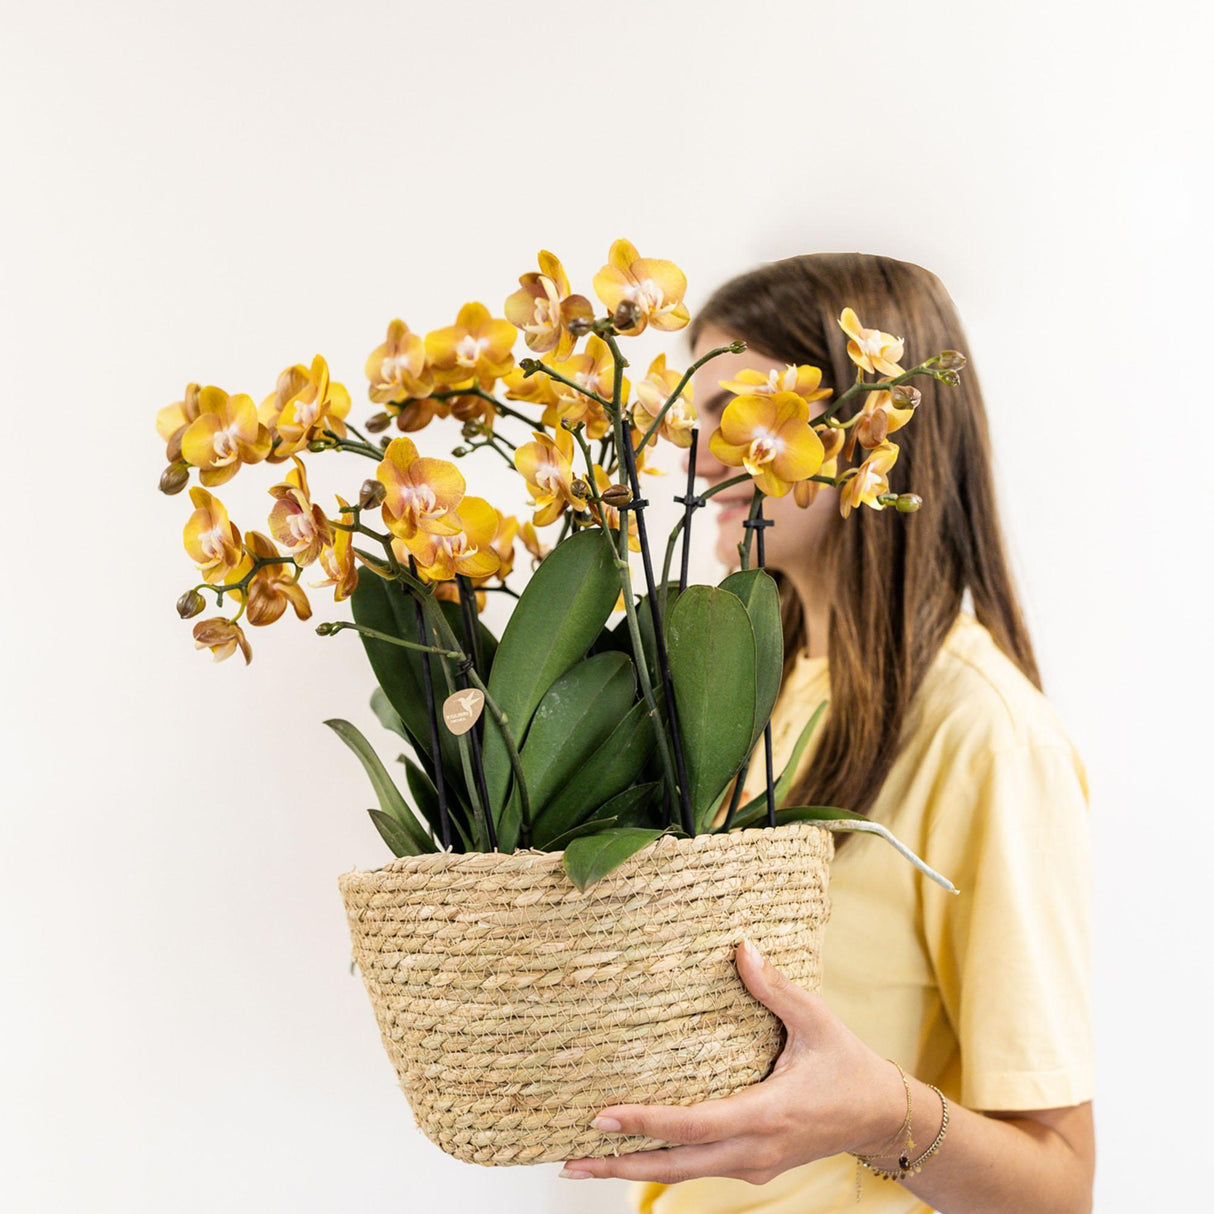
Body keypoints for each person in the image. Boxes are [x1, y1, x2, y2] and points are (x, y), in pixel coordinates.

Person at [557, 253, 1096, 1213]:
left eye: (739, 414)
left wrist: (877, 1115)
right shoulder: (766, 691)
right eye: (697, 416)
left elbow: (1058, 1190)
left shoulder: (988, 735)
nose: (703, 455)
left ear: (867, 430)